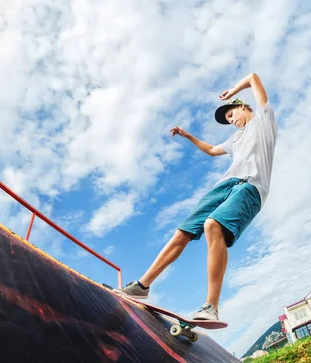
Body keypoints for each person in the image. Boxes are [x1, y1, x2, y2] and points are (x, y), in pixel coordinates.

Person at [113, 72, 278, 321]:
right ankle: (142, 286)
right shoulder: (235, 138)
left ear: (243, 107)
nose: (232, 121)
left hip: (250, 187)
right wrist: (188, 136)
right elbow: (212, 150)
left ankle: (211, 307)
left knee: (214, 225)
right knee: (184, 231)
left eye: (232, 115)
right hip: (224, 185)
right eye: (228, 119)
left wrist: (232, 92)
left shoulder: (264, 121)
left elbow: (254, 78)